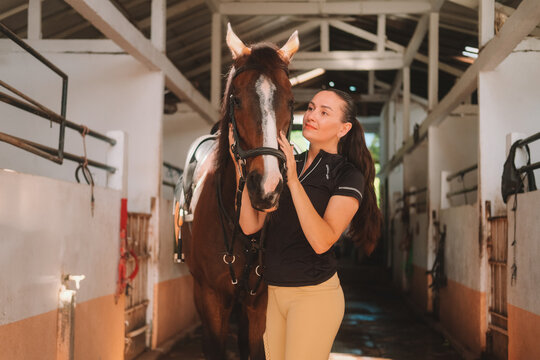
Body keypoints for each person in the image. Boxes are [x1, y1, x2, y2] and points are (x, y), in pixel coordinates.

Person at [233, 89, 381, 360]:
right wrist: (243, 169)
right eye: (311, 108)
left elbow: (322, 240)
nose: (312, 116)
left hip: (314, 296)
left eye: (324, 112)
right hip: (275, 293)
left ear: (344, 128)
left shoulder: (348, 175)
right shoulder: (287, 164)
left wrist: (292, 181)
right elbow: (251, 225)